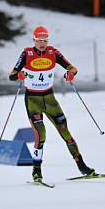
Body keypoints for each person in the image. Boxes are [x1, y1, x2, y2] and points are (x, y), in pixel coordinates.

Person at [9, 26, 95, 182]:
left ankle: (82, 166)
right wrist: (19, 74)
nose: (42, 43)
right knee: (40, 135)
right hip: (33, 100)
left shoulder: (53, 53)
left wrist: (70, 73)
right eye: (39, 40)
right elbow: (12, 75)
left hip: (49, 99)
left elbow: (72, 67)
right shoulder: (27, 53)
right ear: (34, 40)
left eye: (45, 40)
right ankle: (37, 172)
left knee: (65, 131)